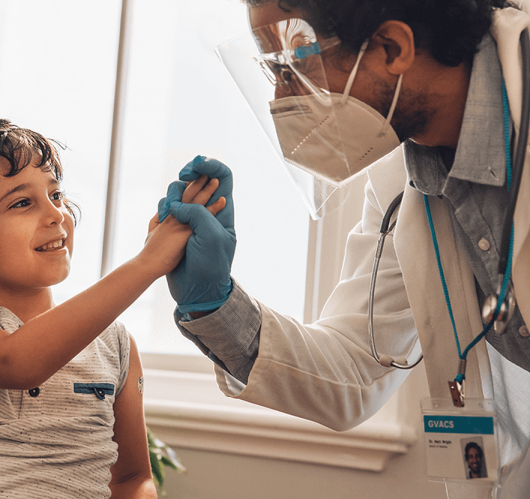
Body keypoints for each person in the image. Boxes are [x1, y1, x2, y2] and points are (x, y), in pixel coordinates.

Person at [155, 1, 530, 497]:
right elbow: (354, 369)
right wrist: (217, 304)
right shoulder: (401, 179)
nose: (281, 99)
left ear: (392, 48)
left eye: (296, 63)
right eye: (272, 70)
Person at [0, 114, 223, 499]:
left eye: (56, 195)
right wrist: (147, 264)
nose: (57, 214)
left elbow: (132, 478)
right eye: (23, 202)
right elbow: (17, 362)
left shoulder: (115, 344)